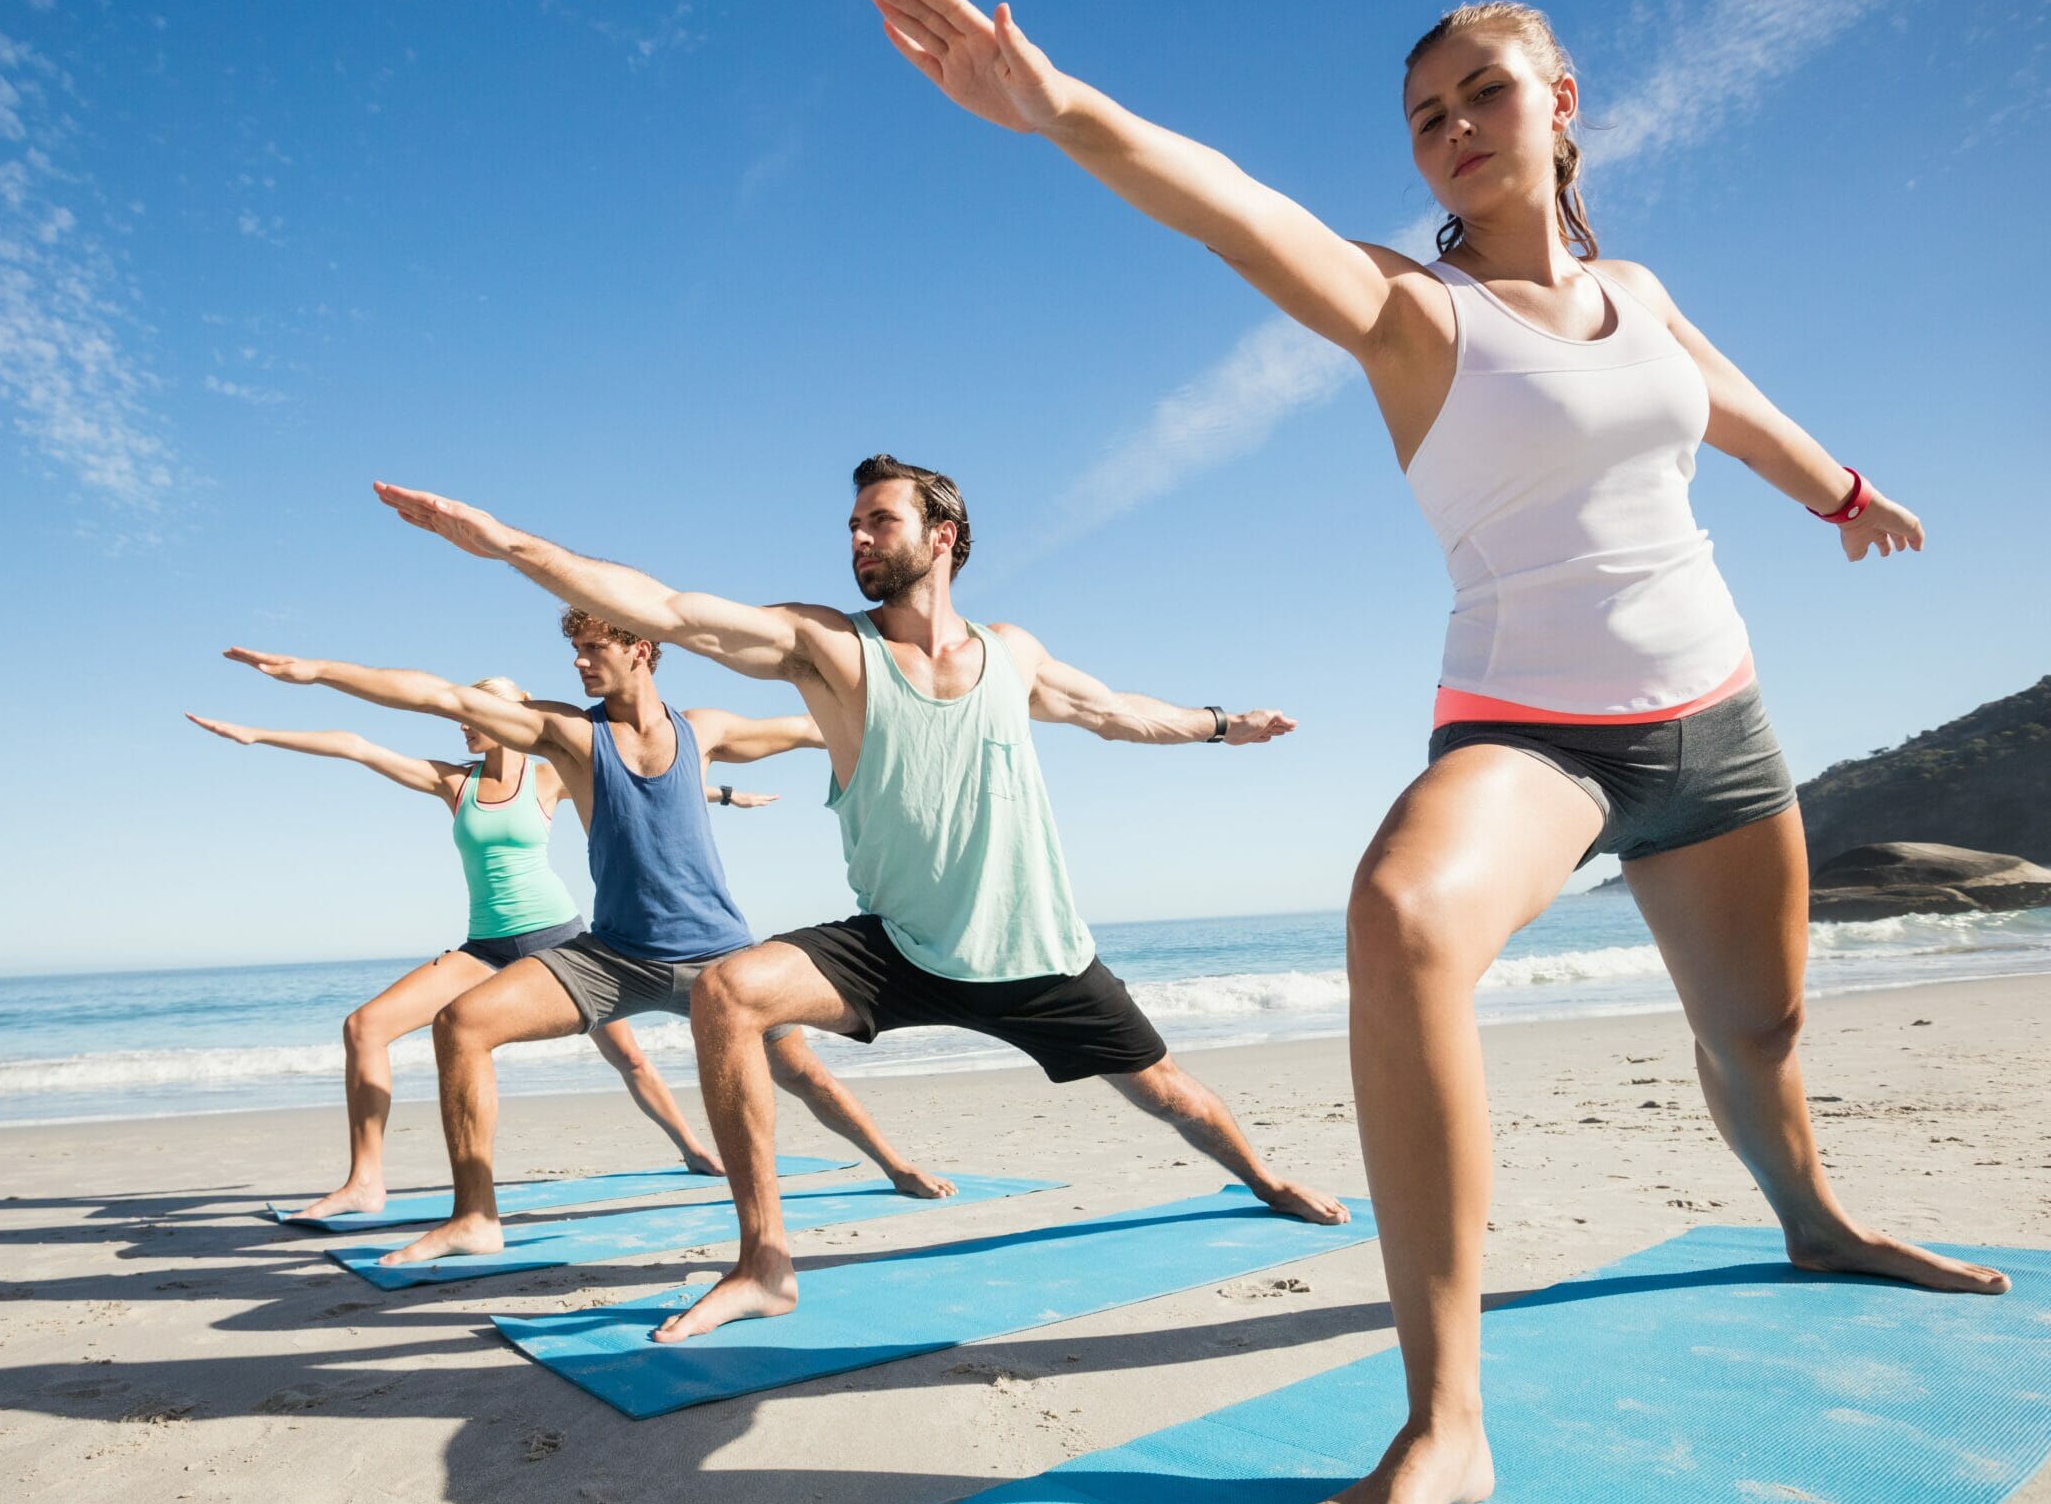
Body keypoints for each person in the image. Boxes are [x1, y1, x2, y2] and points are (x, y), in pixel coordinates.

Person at [860, 0, 2009, 1504]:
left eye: (1482, 92)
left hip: (1720, 719)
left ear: (1562, 107)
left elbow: (1728, 407)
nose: (1455, 126)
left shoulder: (1651, 295)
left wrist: (1844, 491)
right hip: (1536, 739)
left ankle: (1813, 1218)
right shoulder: (1417, 311)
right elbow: (1238, 211)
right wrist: (1057, 111)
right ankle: (1446, 1415)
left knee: (1760, 1035)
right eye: (1424, 115)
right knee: (1402, 915)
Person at [369, 462, 1349, 1337]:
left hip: (1037, 954)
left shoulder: (1012, 653)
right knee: (730, 994)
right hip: (899, 947)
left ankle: (1263, 1177)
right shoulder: (831, 649)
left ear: (943, 536)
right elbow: (667, 610)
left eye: (878, 521)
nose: (857, 540)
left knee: (1170, 1095)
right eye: (851, 526)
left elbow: (1118, 712)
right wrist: (505, 543)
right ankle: (764, 1263)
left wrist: (1223, 724)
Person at [226, 605, 953, 1269]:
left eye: (592, 647)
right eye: (574, 648)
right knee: (462, 1022)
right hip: (617, 957)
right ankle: (475, 1215)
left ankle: (893, 1162)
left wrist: (924, 720)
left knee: (804, 1074)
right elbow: (442, 695)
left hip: (722, 961)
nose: (578, 661)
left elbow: (819, 726)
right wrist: (319, 671)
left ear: (641, 648)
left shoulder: (707, 729)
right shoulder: (572, 735)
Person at [185, 692, 752, 1219]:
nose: (464, 722)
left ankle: (694, 1149)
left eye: (477, 711)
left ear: (512, 713)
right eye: (463, 713)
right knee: (364, 1027)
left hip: (562, 941)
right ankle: (365, 1181)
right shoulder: (453, 783)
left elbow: (643, 784)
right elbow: (356, 746)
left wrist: (725, 794)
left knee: (628, 1059)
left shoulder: (549, 775)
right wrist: (258, 735)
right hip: (484, 947)